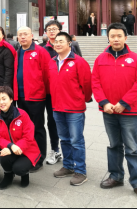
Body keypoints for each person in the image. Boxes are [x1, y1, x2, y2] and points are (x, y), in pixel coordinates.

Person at [92, 23, 137, 201]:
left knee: (132, 148)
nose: (115, 39)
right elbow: (95, 83)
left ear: (126, 37)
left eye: (119, 36)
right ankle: (116, 176)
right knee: (114, 145)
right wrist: (104, 103)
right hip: (109, 111)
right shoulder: (100, 59)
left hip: (129, 111)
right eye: (112, 36)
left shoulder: (136, 59)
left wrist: (124, 103)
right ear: (108, 38)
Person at [49, 32, 92, 186]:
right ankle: (68, 166)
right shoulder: (52, 62)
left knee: (76, 140)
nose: (58, 44)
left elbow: (87, 85)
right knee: (64, 139)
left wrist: (84, 99)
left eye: (61, 41)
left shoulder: (79, 62)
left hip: (74, 109)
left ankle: (80, 171)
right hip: (57, 107)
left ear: (69, 44)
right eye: (56, 42)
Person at [14, 26, 50, 172]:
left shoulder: (40, 51)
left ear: (32, 35)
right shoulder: (17, 52)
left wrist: (45, 93)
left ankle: (40, 157)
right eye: (20, 35)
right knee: (24, 129)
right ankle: (27, 154)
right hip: (20, 97)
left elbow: (47, 74)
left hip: (36, 96)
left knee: (37, 128)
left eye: (25, 34)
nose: (23, 37)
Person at [0, 86, 41, 190]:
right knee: (3, 157)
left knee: (19, 169)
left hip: (27, 150)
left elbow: (28, 137)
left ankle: (25, 174)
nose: (1, 102)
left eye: (4, 98)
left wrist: (14, 147)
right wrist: (10, 146)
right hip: (10, 149)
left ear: (11, 99)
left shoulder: (22, 115)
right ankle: (8, 175)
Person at [41, 20, 62, 165]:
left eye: (54, 29)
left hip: (63, 92)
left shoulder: (70, 47)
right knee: (49, 121)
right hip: (46, 92)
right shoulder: (42, 49)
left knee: (61, 121)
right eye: (49, 29)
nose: (52, 31)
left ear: (60, 30)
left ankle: (62, 150)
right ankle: (53, 149)